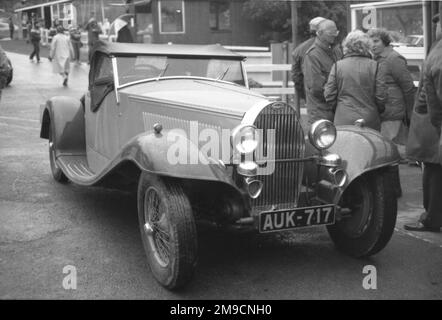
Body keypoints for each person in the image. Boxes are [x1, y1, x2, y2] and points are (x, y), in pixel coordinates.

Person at [405, 13, 442, 233]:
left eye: (439, 23)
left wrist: (439, 125)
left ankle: (431, 219)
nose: (435, 26)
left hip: (434, 127)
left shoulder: (439, 52)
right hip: (432, 125)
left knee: (434, 173)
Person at [324, 30, 387, 131]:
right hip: (369, 118)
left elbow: (329, 95)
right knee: (370, 145)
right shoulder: (376, 66)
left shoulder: (337, 66)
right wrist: (376, 110)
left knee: (343, 145)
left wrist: (338, 108)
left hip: (343, 117)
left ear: (347, 46)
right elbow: (381, 96)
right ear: (367, 46)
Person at [368, 28, 415, 143]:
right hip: (384, 112)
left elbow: (408, 87)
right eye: (370, 42)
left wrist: (411, 113)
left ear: (385, 41)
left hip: (394, 113)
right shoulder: (375, 59)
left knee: (393, 147)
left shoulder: (394, 58)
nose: (372, 45)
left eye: (376, 41)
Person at [302, 19, 343, 125]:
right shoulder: (312, 55)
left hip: (336, 110)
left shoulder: (336, 51)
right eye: (331, 33)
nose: (334, 36)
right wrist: (339, 95)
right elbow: (316, 88)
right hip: (321, 113)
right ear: (319, 33)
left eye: (336, 32)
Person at [291, 16, 325, 101]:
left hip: (309, 94)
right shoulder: (330, 48)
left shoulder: (298, 50)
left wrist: (304, 93)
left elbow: (296, 76)